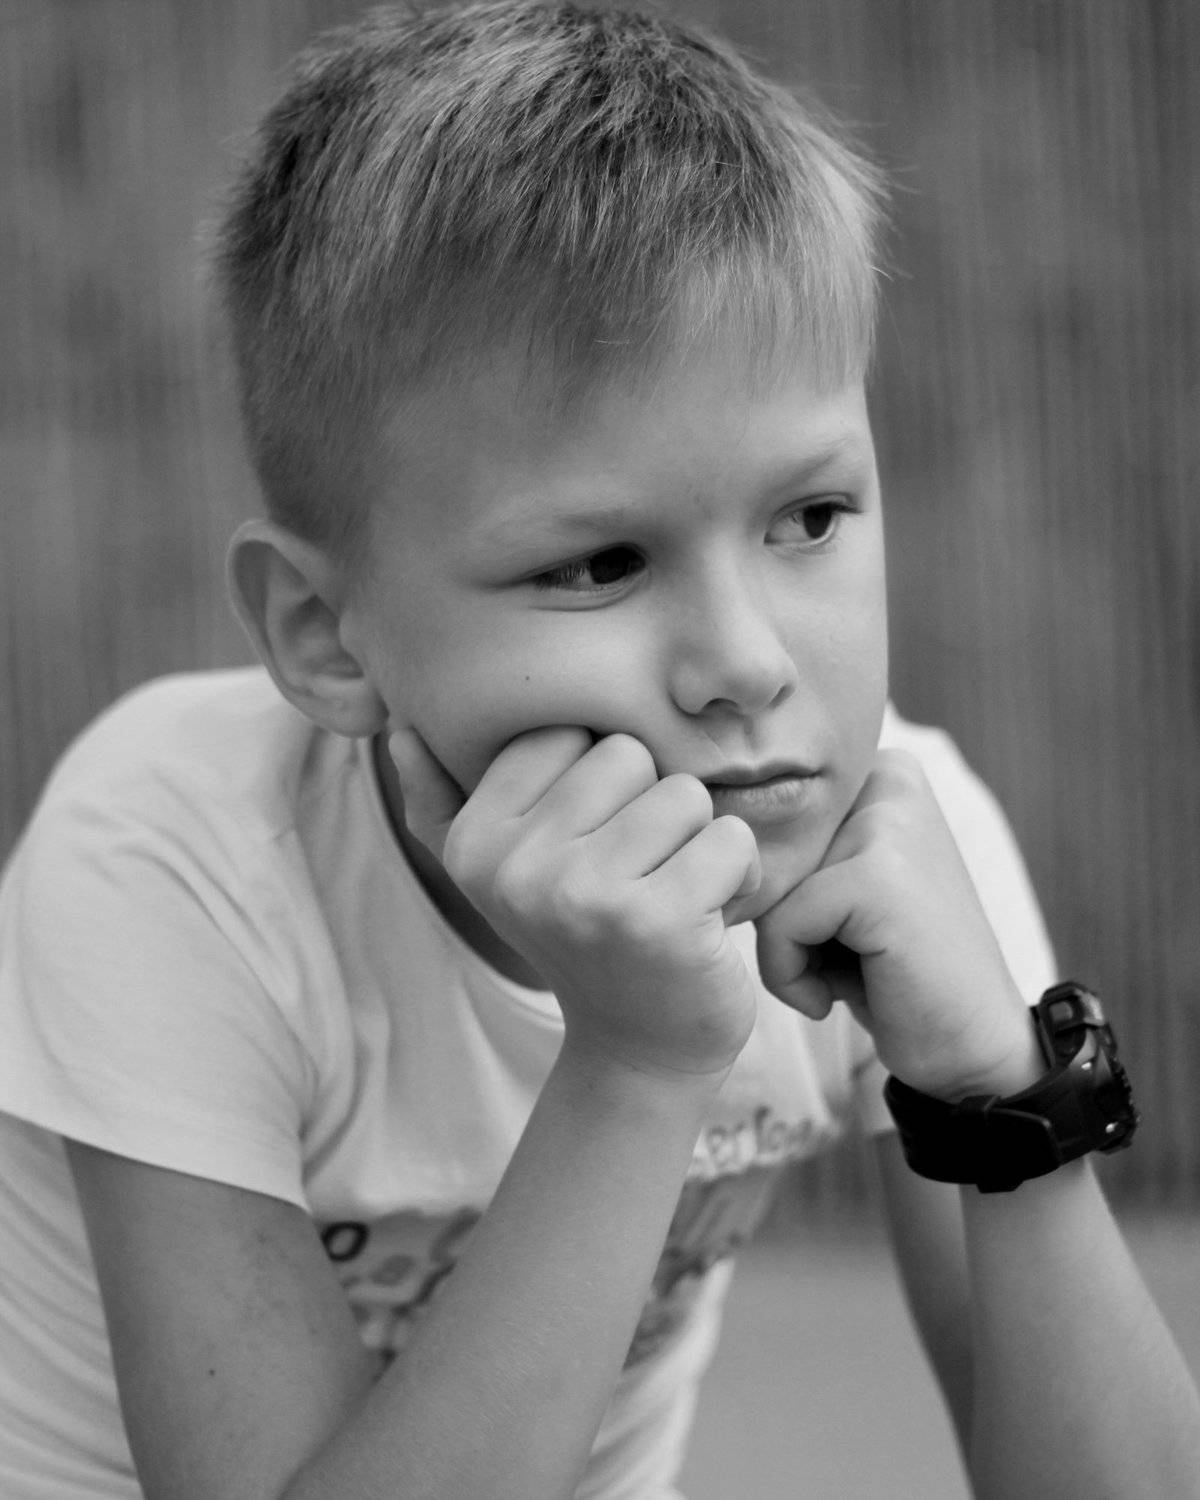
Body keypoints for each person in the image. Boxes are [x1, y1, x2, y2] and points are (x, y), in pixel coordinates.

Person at [0, 3, 1197, 1496]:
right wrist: (636, 1065)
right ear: (325, 635)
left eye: (811, 517)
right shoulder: (172, 856)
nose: (748, 663)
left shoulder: (893, 841)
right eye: (597, 564)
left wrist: (1004, 1095)